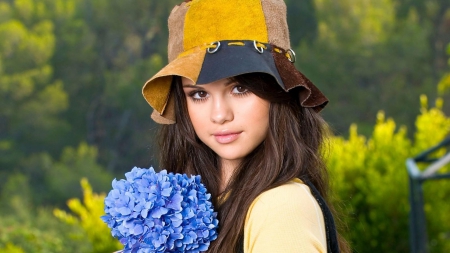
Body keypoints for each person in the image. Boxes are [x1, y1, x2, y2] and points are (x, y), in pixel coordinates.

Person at [142, 0, 349, 252]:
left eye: (240, 88)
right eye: (198, 94)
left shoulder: (281, 206)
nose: (220, 115)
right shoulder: (202, 205)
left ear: (277, 90)